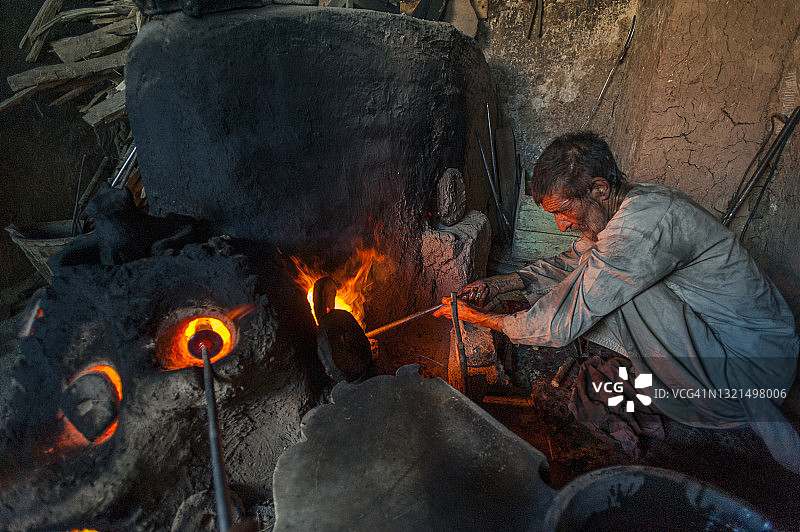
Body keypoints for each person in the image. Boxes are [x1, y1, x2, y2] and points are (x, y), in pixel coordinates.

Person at [434, 131, 800, 474]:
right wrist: (502, 284)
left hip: (751, 369)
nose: (561, 225)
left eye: (563, 211)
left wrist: (490, 322)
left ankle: (717, 405)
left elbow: (559, 323)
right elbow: (572, 260)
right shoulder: (627, 207)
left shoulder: (639, 229)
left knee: (611, 293)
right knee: (599, 278)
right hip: (732, 346)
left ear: (598, 188)